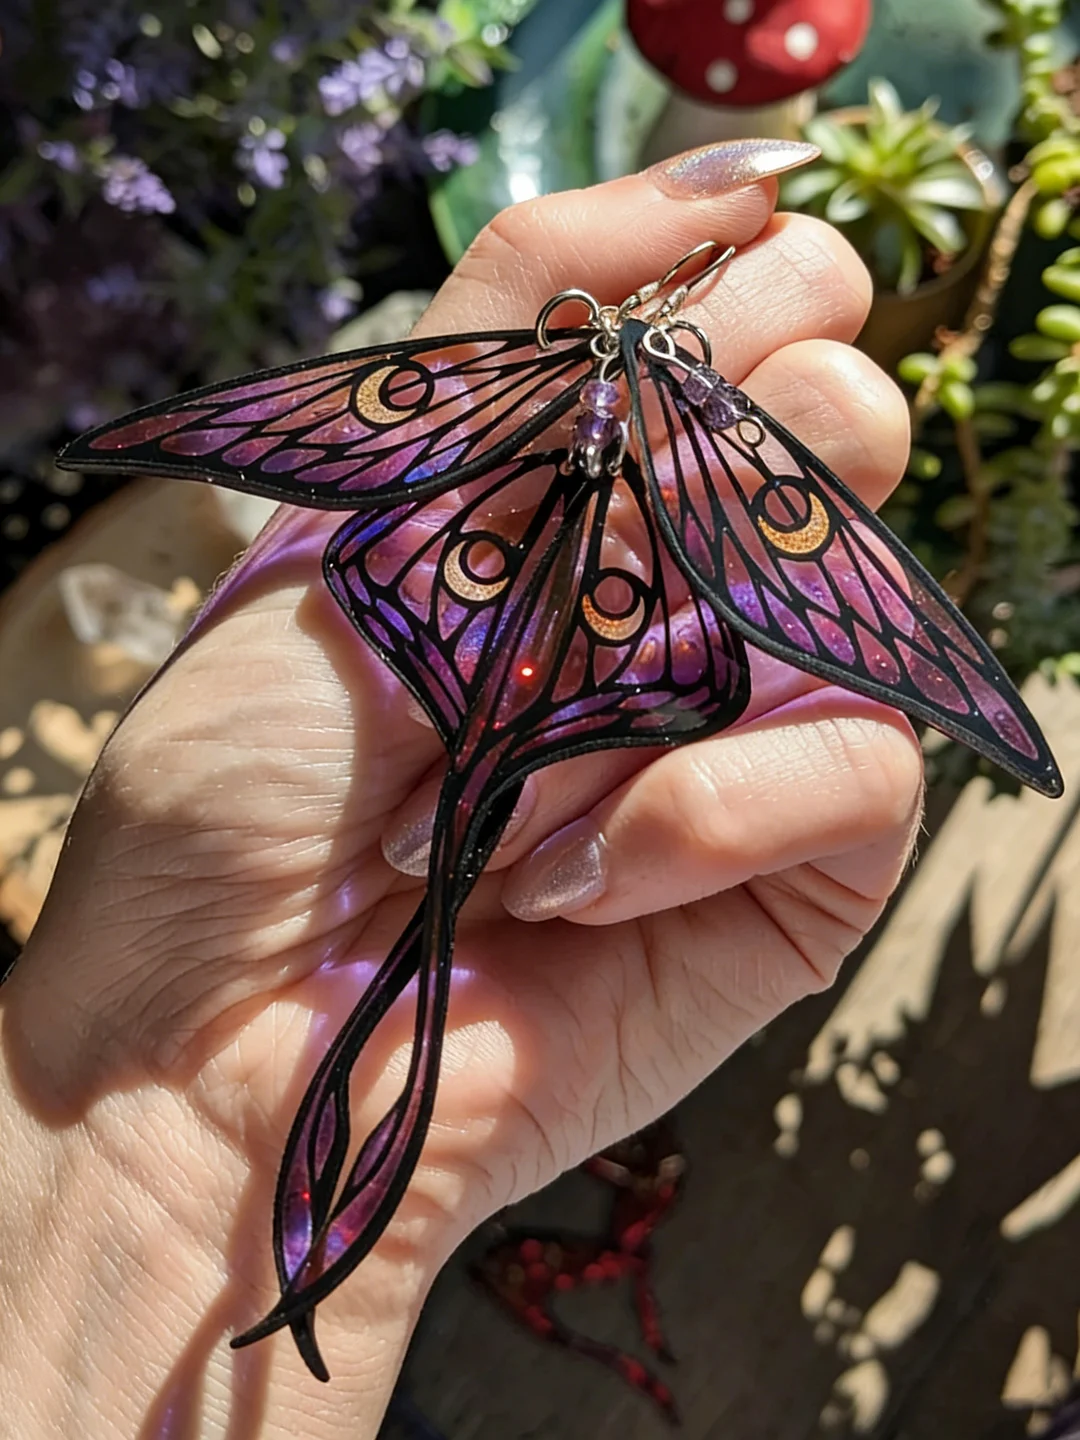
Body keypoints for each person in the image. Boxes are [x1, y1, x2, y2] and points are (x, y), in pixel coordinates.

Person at [0, 137, 921, 1437]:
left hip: (514, 620)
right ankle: (297, 1242)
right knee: (426, 940)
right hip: (468, 617)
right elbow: (319, 426)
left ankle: (316, 1248)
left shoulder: (637, 399)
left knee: (431, 944)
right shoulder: (585, 385)